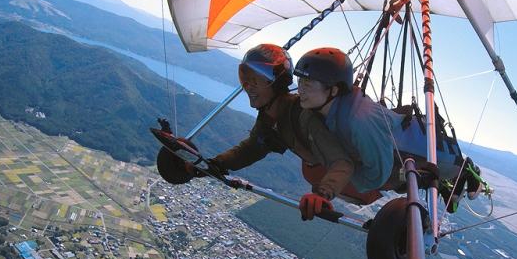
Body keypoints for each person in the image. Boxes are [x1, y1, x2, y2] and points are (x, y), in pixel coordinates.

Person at [294, 47, 483, 210]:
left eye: (307, 85)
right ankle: (445, 182)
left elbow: (376, 176)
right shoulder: (332, 110)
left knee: (447, 170)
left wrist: (344, 176)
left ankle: (469, 171)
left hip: (431, 154)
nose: (299, 90)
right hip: (401, 156)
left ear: (333, 90)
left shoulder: (359, 122)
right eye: (300, 83)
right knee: (407, 176)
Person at [182, 44, 356, 221]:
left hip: (347, 178)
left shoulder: (303, 116)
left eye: (257, 80)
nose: (249, 87)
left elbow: (342, 163)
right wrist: (212, 165)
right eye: (246, 79)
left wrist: (322, 194)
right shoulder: (269, 115)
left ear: (279, 83)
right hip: (319, 171)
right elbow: (251, 149)